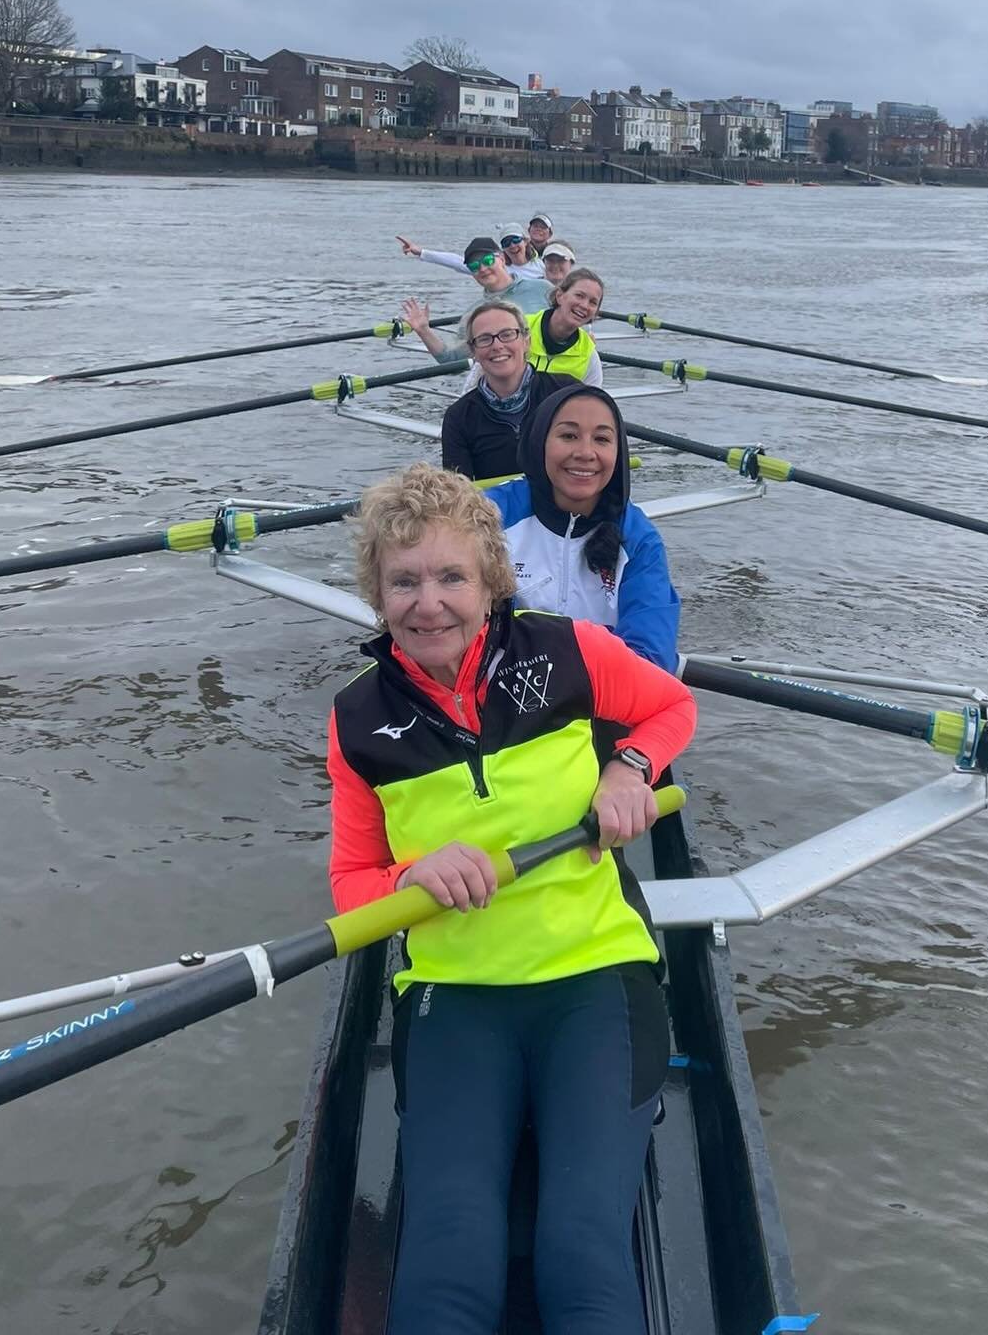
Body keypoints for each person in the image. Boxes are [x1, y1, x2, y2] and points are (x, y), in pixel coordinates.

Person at [327, 462, 696, 1335]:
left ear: (491, 581)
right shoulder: (356, 723)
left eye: (452, 577)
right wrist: (409, 878)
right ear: (375, 594)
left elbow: (671, 707)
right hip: (457, 997)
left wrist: (629, 768)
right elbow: (352, 892)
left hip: (594, 978)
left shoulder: (567, 650)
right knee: (448, 1261)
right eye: (404, 581)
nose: (429, 604)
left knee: (581, 1255)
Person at [487, 384, 681, 672]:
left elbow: (650, 657)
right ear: (539, 441)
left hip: (599, 697)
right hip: (497, 692)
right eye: (569, 436)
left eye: (602, 439)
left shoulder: (639, 540)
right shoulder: (489, 517)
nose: (586, 452)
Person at [440, 301, 576, 481]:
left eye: (507, 334)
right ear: (473, 351)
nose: (497, 346)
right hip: (497, 508)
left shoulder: (567, 392)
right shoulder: (458, 417)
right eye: (484, 339)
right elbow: (457, 495)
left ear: (526, 342)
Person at [401, 236, 551, 367]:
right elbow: (450, 359)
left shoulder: (542, 288)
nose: (483, 268)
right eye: (474, 266)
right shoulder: (474, 314)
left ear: (502, 259)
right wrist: (423, 331)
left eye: (488, 260)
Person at [527, 266, 605, 383]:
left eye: (593, 302)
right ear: (559, 296)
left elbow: (590, 400)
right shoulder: (520, 328)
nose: (584, 305)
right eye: (579, 295)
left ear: (595, 313)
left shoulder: (589, 356)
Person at [397, 222, 544, 278]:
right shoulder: (495, 267)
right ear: (502, 248)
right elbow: (456, 261)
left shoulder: (543, 267)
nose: (512, 246)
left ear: (526, 241)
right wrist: (421, 252)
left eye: (516, 240)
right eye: (506, 242)